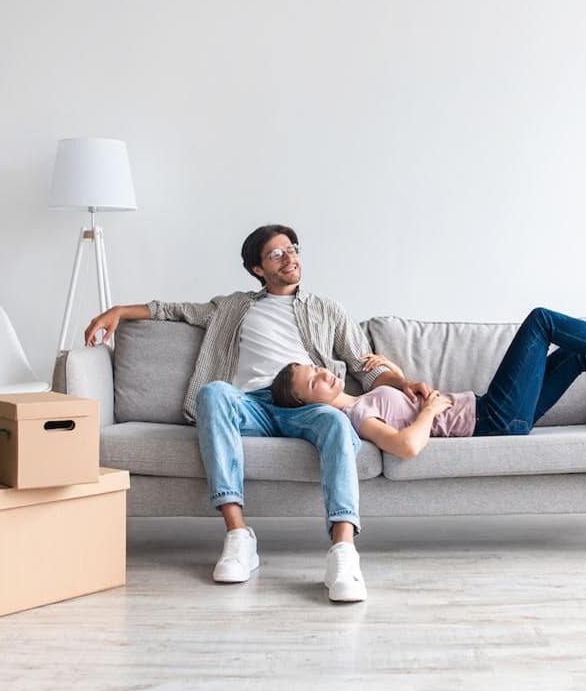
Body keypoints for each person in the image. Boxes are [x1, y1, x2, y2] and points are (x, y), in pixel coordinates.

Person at [83, 224, 431, 603]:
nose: (290, 258)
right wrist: (118, 310)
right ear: (257, 269)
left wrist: (402, 381)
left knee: (334, 420)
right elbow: (171, 310)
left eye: (293, 249)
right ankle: (238, 537)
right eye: (277, 254)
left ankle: (343, 553)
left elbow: (364, 365)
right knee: (213, 393)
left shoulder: (327, 310)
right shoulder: (232, 307)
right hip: (252, 405)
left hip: (310, 405)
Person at [269, 305, 586, 458]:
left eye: (315, 368)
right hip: (493, 418)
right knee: (541, 322)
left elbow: (401, 403)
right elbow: (406, 447)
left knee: (574, 355)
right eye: (314, 383)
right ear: (312, 405)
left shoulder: (368, 396)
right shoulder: (358, 417)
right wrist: (429, 411)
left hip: (490, 410)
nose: (324, 374)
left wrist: (413, 387)